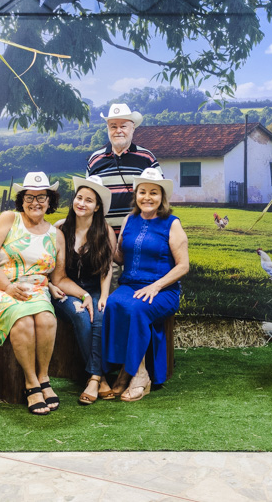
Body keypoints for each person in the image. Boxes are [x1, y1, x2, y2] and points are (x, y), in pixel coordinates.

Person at [0, 171, 61, 415]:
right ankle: (31, 382)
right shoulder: (9, 219)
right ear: (21, 200)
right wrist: (7, 287)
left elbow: (59, 276)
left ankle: (44, 378)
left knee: (46, 319)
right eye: (29, 197)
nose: (35, 202)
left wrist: (79, 294)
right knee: (23, 321)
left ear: (49, 200)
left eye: (41, 197)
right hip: (0, 287)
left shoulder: (56, 234)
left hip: (37, 290)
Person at [102, 168, 189, 402]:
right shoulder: (129, 220)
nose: (147, 197)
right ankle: (130, 370)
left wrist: (156, 286)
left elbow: (183, 266)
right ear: (136, 195)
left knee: (136, 308)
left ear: (162, 197)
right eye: (142, 192)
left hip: (163, 290)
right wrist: (105, 239)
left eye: (153, 192)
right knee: (113, 303)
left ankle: (137, 376)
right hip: (130, 284)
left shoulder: (172, 224)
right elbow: (121, 257)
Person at [49, 176, 117, 405]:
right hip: (65, 288)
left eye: (89, 200)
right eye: (79, 198)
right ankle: (100, 378)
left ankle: (94, 378)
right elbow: (54, 273)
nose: (82, 203)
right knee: (81, 316)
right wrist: (80, 294)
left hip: (95, 287)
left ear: (97, 207)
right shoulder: (60, 228)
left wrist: (104, 296)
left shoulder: (105, 231)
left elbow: (106, 269)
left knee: (99, 315)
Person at [86, 103, 161, 235]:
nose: (118, 130)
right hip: (102, 236)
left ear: (133, 128)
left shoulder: (147, 157)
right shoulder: (95, 160)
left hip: (139, 236)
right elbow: (87, 197)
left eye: (123, 126)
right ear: (108, 129)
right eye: (113, 126)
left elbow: (161, 195)